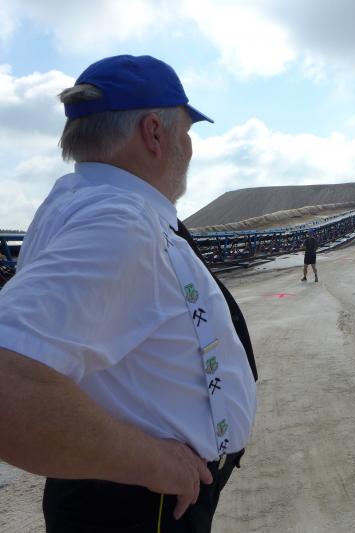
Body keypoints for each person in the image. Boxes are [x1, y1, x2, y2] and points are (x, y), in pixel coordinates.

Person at [0, 55, 257, 532]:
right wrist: (154, 464)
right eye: (187, 133)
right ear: (154, 133)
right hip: (141, 503)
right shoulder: (121, 222)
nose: (189, 149)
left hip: (127, 494)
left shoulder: (81, 205)